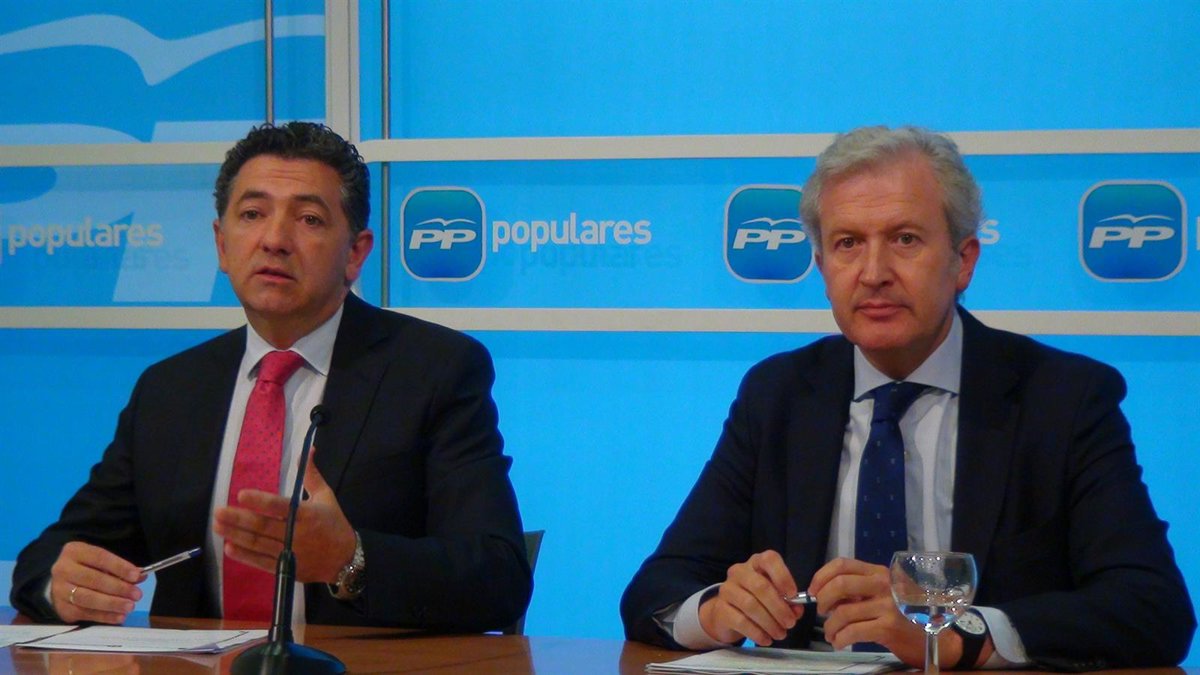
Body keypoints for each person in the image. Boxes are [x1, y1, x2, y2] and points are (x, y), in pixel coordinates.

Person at [621, 125, 1194, 669]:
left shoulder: (1062, 398)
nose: (873, 272)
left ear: (963, 261)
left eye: (904, 239)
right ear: (822, 268)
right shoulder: (778, 395)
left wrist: (956, 634)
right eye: (848, 243)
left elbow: (1153, 607)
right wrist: (717, 611)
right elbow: (655, 590)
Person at [11, 122, 532, 632]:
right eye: (253, 214)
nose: (275, 240)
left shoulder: (434, 370)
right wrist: (61, 585)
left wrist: (349, 559)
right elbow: (52, 556)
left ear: (356, 253)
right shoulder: (170, 390)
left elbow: (498, 575)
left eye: (308, 219)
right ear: (221, 244)